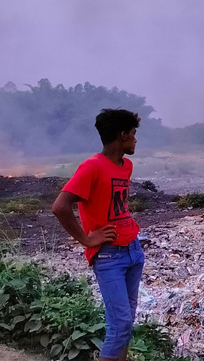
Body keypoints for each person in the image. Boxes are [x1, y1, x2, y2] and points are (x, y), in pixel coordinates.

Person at [52, 109, 144, 361]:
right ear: (122, 135)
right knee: (120, 325)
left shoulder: (126, 165)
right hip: (109, 256)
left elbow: (116, 204)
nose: (136, 140)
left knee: (126, 325)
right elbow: (60, 206)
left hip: (133, 251)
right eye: (133, 134)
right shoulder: (92, 166)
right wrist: (86, 239)